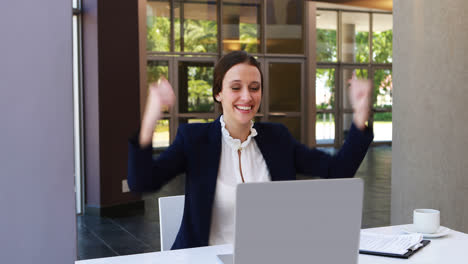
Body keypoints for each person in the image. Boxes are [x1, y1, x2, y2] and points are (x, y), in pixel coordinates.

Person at [127, 51, 373, 250]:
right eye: (236, 87)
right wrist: (151, 116)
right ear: (218, 93)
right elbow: (142, 181)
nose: (247, 96)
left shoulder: (277, 138)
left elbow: (337, 170)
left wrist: (361, 113)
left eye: (254, 87)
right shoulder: (195, 139)